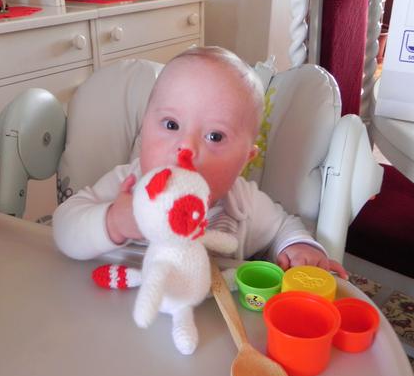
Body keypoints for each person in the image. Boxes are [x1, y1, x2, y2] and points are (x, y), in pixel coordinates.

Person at [52, 46, 348, 279]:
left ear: (245, 160)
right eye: (171, 125)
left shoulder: (242, 204)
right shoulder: (127, 185)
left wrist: (298, 246)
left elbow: (283, 225)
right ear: (144, 129)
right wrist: (113, 222)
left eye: (215, 136)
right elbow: (64, 227)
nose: (187, 147)